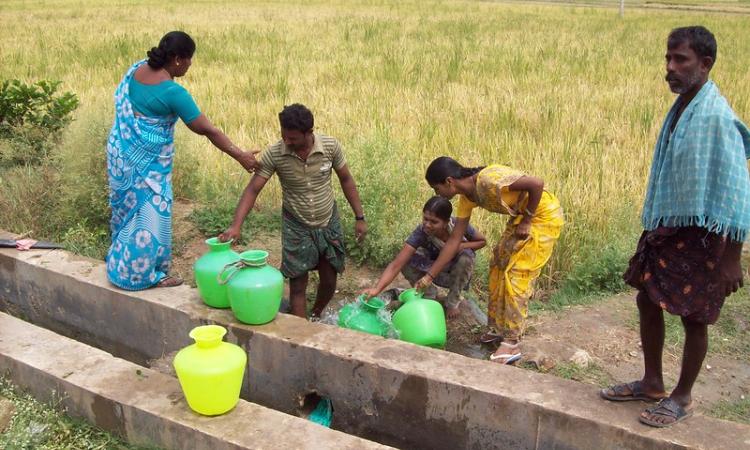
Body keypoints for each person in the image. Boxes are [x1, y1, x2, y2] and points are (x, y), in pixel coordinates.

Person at [600, 26, 750, 428]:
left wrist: (732, 258)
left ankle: (681, 397)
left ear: (705, 64)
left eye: (680, 60)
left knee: (694, 317)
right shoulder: (685, 105)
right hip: (670, 224)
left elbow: (737, 192)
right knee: (647, 298)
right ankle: (652, 382)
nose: (670, 67)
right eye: (668, 58)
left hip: (703, 233)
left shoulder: (716, 117)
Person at [106, 31, 259, 290]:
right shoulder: (174, 93)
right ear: (177, 59)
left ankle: (120, 263)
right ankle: (144, 275)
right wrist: (240, 155)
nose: (190, 65)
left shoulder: (136, 70)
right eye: (189, 59)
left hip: (121, 155)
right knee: (150, 217)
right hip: (146, 167)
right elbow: (208, 129)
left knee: (127, 213)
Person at [219, 104, 367, 320]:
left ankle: (315, 314)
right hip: (296, 226)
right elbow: (253, 190)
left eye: (293, 138)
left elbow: (346, 179)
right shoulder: (275, 154)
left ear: (309, 133)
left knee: (329, 279)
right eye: (284, 135)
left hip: (327, 222)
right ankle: (300, 330)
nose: (287, 141)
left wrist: (359, 217)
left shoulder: (330, 147)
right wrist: (236, 225)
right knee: (297, 283)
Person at [416, 157, 564, 364]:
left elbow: (536, 183)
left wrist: (528, 219)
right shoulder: (467, 199)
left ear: (449, 181)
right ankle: (498, 328)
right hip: (521, 218)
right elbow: (454, 242)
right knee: (497, 266)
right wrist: (429, 277)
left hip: (542, 217)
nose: (437, 194)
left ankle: (512, 342)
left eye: (436, 188)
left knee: (516, 275)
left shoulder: (488, 181)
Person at [362, 196, 486, 318]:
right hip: (431, 270)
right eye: (425, 219)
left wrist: (458, 247)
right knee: (406, 260)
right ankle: (429, 294)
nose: (427, 224)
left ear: (446, 222)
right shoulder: (421, 232)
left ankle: (453, 301)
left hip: (454, 272)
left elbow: (482, 241)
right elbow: (396, 264)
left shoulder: (459, 226)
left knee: (466, 257)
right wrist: (377, 289)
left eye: (434, 222)